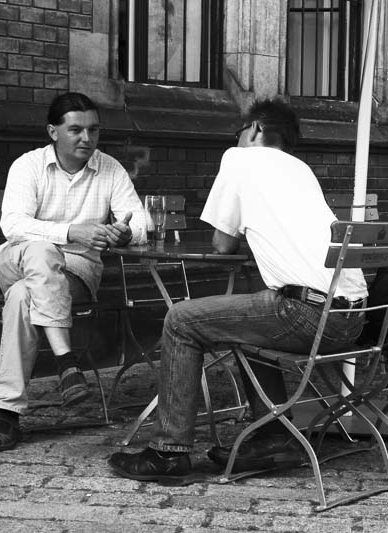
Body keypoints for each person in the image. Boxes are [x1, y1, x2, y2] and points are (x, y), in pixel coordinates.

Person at [109, 98, 368, 484]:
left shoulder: (240, 158)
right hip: (353, 317)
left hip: (308, 314)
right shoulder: (302, 170)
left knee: (181, 320)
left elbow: (222, 244)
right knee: (245, 318)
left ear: (255, 130)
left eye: (240, 132)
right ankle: (273, 437)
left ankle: (168, 451)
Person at [0, 92, 146, 452]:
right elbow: (13, 224)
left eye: (94, 130)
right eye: (76, 130)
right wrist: (70, 231)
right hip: (16, 258)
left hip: (75, 272)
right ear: (53, 131)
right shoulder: (28, 165)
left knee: (22, 296)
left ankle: (5, 414)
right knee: (40, 249)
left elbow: (139, 221)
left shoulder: (110, 168)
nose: (87, 139)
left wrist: (126, 231)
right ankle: (66, 361)